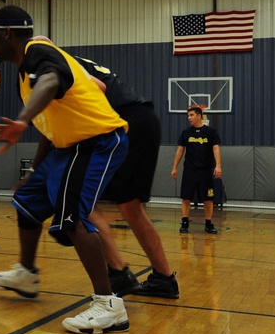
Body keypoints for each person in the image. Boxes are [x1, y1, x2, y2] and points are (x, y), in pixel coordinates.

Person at [0, 5, 130, 334]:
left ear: (7, 34)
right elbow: (50, 124)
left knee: (72, 216)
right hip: (66, 148)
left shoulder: (38, 51)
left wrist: (20, 120)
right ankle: (27, 275)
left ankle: (109, 304)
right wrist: (36, 171)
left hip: (97, 142)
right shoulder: (23, 74)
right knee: (27, 202)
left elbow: (51, 81)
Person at [69, 54, 180, 299]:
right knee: (131, 207)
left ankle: (118, 272)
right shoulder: (74, 59)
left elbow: (96, 88)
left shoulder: (53, 61)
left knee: (79, 199)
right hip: (144, 119)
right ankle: (164, 279)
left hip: (123, 123)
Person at [172, 106, 222, 235]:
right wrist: (174, 167)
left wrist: (218, 165)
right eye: (188, 115)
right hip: (190, 170)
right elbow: (180, 151)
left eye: (191, 115)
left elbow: (216, 149)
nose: (189, 118)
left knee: (208, 199)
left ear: (199, 116)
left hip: (205, 171)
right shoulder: (186, 133)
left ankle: (209, 223)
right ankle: (184, 222)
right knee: (186, 198)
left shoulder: (211, 132)